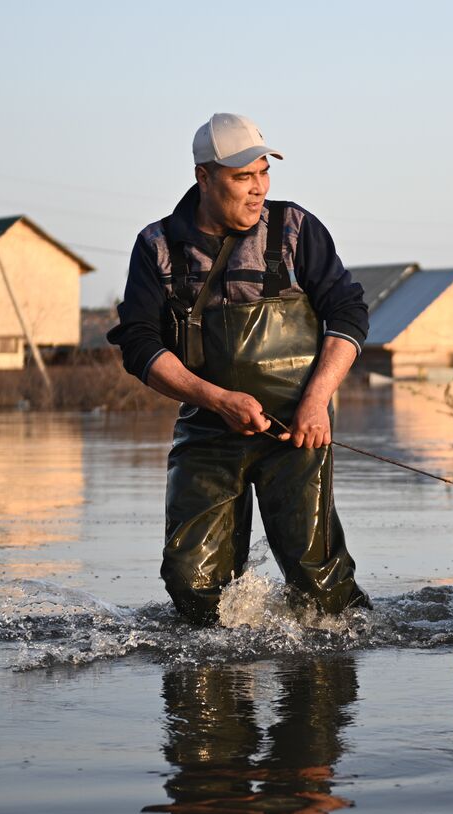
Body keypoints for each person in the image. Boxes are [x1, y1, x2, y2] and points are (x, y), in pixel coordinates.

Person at [108, 113, 369, 624]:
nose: (258, 189)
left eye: (264, 173)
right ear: (204, 177)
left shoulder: (295, 228)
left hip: (299, 430)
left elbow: (349, 312)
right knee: (191, 582)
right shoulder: (156, 246)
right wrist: (216, 400)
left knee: (319, 585)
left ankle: (335, 671)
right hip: (208, 428)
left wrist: (316, 403)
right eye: (242, 177)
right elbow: (138, 344)